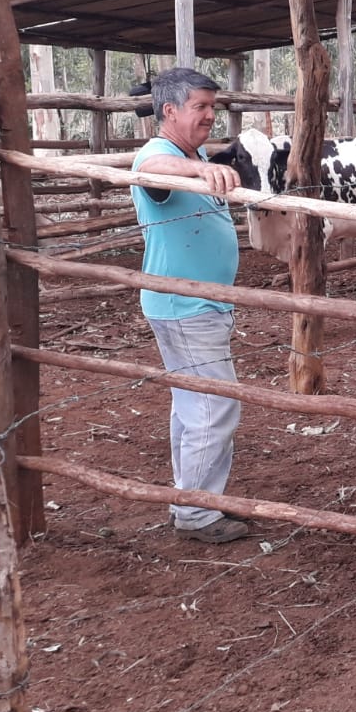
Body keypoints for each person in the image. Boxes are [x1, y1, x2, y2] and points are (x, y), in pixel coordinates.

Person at [131, 67, 250, 545]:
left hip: (193, 305)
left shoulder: (190, 151)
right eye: (200, 107)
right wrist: (200, 168)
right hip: (186, 306)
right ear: (170, 111)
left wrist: (200, 160)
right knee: (214, 407)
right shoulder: (160, 155)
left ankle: (190, 500)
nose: (209, 115)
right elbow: (149, 172)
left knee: (191, 405)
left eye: (211, 106)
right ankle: (197, 513)